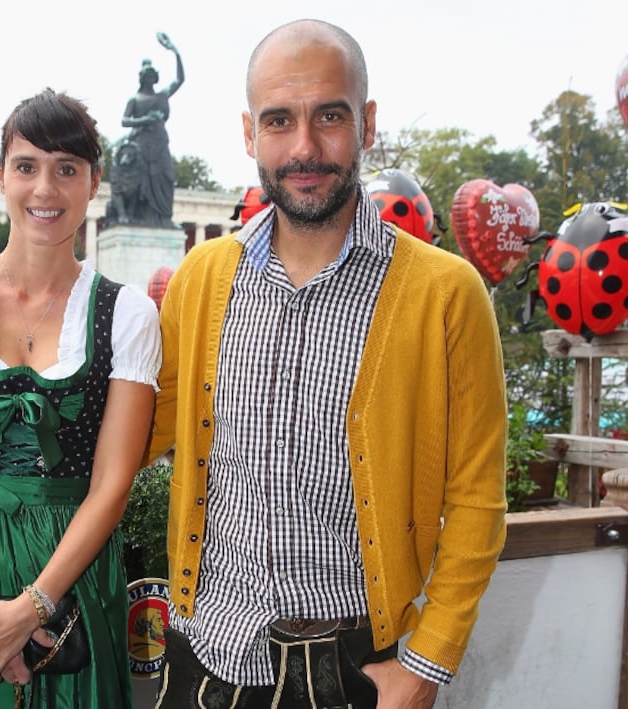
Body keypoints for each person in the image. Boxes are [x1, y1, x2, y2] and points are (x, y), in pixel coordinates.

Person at [144, 19, 508, 709]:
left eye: (330, 116)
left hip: (358, 670)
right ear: (250, 134)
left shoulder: (444, 293)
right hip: (206, 659)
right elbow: (135, 434)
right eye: (279, 120)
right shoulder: (202, 280)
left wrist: (425, 665)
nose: (305, 146)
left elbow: (477, 498)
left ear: (367, 123)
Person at [0, 88, 161, 708]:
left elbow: (112, 484)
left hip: (72, 580)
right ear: (1, 176)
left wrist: (30, 609)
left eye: (67, 169)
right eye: (27, 166)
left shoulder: (126, 314)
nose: (46, 188)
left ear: (93, 183)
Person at [116, 31, 184, 228]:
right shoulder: (135, 100)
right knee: (140, 184)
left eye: (152, 76)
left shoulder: (162, 95)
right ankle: (140, 217)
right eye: (146, 76)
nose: (149, 78)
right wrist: (146, 119)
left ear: (155, 78)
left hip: (160, 143)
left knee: (166, 178)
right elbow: (124, 121)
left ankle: (164, 219)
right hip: (141, 146)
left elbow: (180, 79)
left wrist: (175, 52)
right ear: (142, 78)